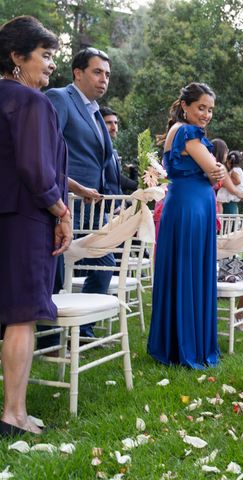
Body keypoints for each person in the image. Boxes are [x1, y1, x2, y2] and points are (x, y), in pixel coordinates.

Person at [0, 15, 71, 435]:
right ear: (16, 57)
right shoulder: (29, 102)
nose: (50, 66)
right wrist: (60, 212)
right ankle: (13, 414)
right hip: (24, 218)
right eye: (44, 56)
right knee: (21, 315)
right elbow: (35, 167)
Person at [147, 82, 227, 368]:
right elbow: (215, 171)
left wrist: (217, 170)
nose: (206, 114)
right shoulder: (188, 131)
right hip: (191, 207)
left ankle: (173, 342)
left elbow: (217, 171)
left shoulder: (177, 131)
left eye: (210, 110)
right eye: (201, 108)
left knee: (181, 269)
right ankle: (188, 346)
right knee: (190, 269)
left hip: (184, 203)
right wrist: (216, 169)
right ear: (185, 106)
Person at [45, 47, 116, 339]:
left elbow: (102, 161)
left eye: (107, 75)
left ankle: (81, 330)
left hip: (94, 206)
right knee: (56, 270)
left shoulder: (96, 111)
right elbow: (46, 151)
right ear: (78, 72)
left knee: (103, 262)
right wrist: (74, 186)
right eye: (97, 72)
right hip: (65, 200)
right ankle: (49, 335)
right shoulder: (60, 98)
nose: (104, 79)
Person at [99, 106, 138, 195]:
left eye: (116, 123)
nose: (114, 128)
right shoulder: (98, 149)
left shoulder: (112, 150)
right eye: (108, 123)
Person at [216, 150, 243, 214]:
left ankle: (220, 216)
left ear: (229, 161)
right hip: (235, 193)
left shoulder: (234, 171)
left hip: (232, 193)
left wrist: (226, 182)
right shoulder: (238, 170)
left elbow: (237, 181)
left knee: (219, 201)